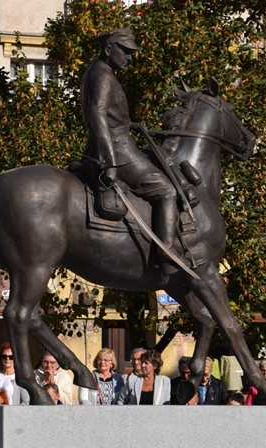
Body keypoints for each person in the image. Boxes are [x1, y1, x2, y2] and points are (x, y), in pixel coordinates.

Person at [80, 27, 179, 271]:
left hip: (117, 145)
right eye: (125, 51)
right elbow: (97, 117)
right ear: (108, 49)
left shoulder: (99, 72)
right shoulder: (103, 76)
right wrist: (110, 161)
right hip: (119, 152)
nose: (129, 57)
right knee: (167, 191)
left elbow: (107, 116)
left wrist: (130, 123)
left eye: (131, 53)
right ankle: (167, 256)